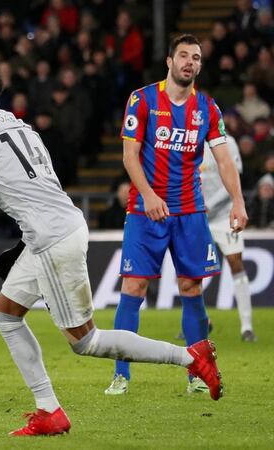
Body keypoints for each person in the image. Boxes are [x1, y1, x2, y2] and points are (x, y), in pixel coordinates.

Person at [0, 62, 224, 437]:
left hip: (52, 238)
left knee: (86, 341)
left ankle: (191, 356)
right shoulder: (16, 122)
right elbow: (44, 185)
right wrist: (24, 242)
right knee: (5, 314)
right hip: (56, 228)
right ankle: (49, 411)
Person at [106, 35, 248, 396]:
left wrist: (238, 201)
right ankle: (121, 374)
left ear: (200, 65)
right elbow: (129, 156)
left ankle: (197, 375)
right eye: (183, 55)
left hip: (190, 212)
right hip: (145, 211)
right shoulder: (142, 99)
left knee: (191, 288)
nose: (189, 62)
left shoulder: (208, 108)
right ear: (169, 61)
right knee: (133, 288)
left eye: (196, 57)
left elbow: (224, 160)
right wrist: (150, 195)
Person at [201, 135, 256, 342]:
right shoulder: (189, 138)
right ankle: (200, 321)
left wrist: (210, 205)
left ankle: (247, 327)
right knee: (192, 270)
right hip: (197, 216)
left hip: (224, 216)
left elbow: (233, 177)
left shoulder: (228, 142)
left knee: (236, 263)